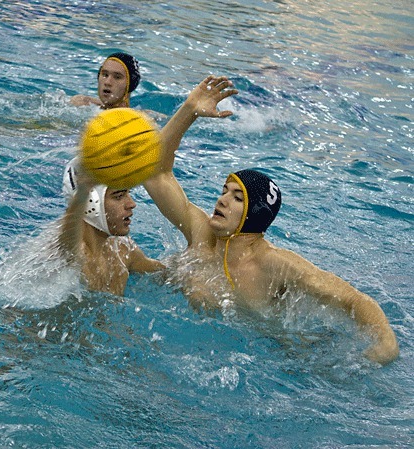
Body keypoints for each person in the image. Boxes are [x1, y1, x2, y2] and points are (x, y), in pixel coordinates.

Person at [144, 75, 399, 365]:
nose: (221, 200)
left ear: (255, 215)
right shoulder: (201, 233)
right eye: (223, 191)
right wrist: (188, 110)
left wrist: (385, 342)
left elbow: (353, 300)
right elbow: (155, 172)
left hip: (276, 355)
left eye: (237, 197)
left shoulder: (274, 265)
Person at [57, 158, 164, 296]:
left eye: (128, 193)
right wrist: (83, 191)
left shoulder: (122, 250)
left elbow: (165, 274)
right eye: (119, 196)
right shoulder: (67, 255)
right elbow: (67, 239)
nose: (131, 204)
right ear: (91, 203)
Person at [71, 52, 141, 109]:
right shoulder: (82, 105)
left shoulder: (142, 119)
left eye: (117, 77)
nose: (107, 82)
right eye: (105, 75)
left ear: (130, 85)